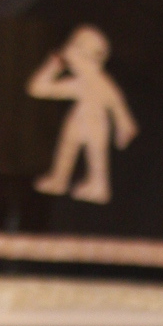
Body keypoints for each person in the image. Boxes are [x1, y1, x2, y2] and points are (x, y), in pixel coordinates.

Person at [29, 26, 137, 205]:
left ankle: (98, 187)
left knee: (96, 156)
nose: (68, 56)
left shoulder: (97, 83)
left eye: (73, 51)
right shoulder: (82, 82)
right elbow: (37, 89)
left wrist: (125, 125)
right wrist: (51, 68)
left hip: (95, 123)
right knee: (66, 149)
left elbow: (117, 105)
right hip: (79, 119)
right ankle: (59, 180)